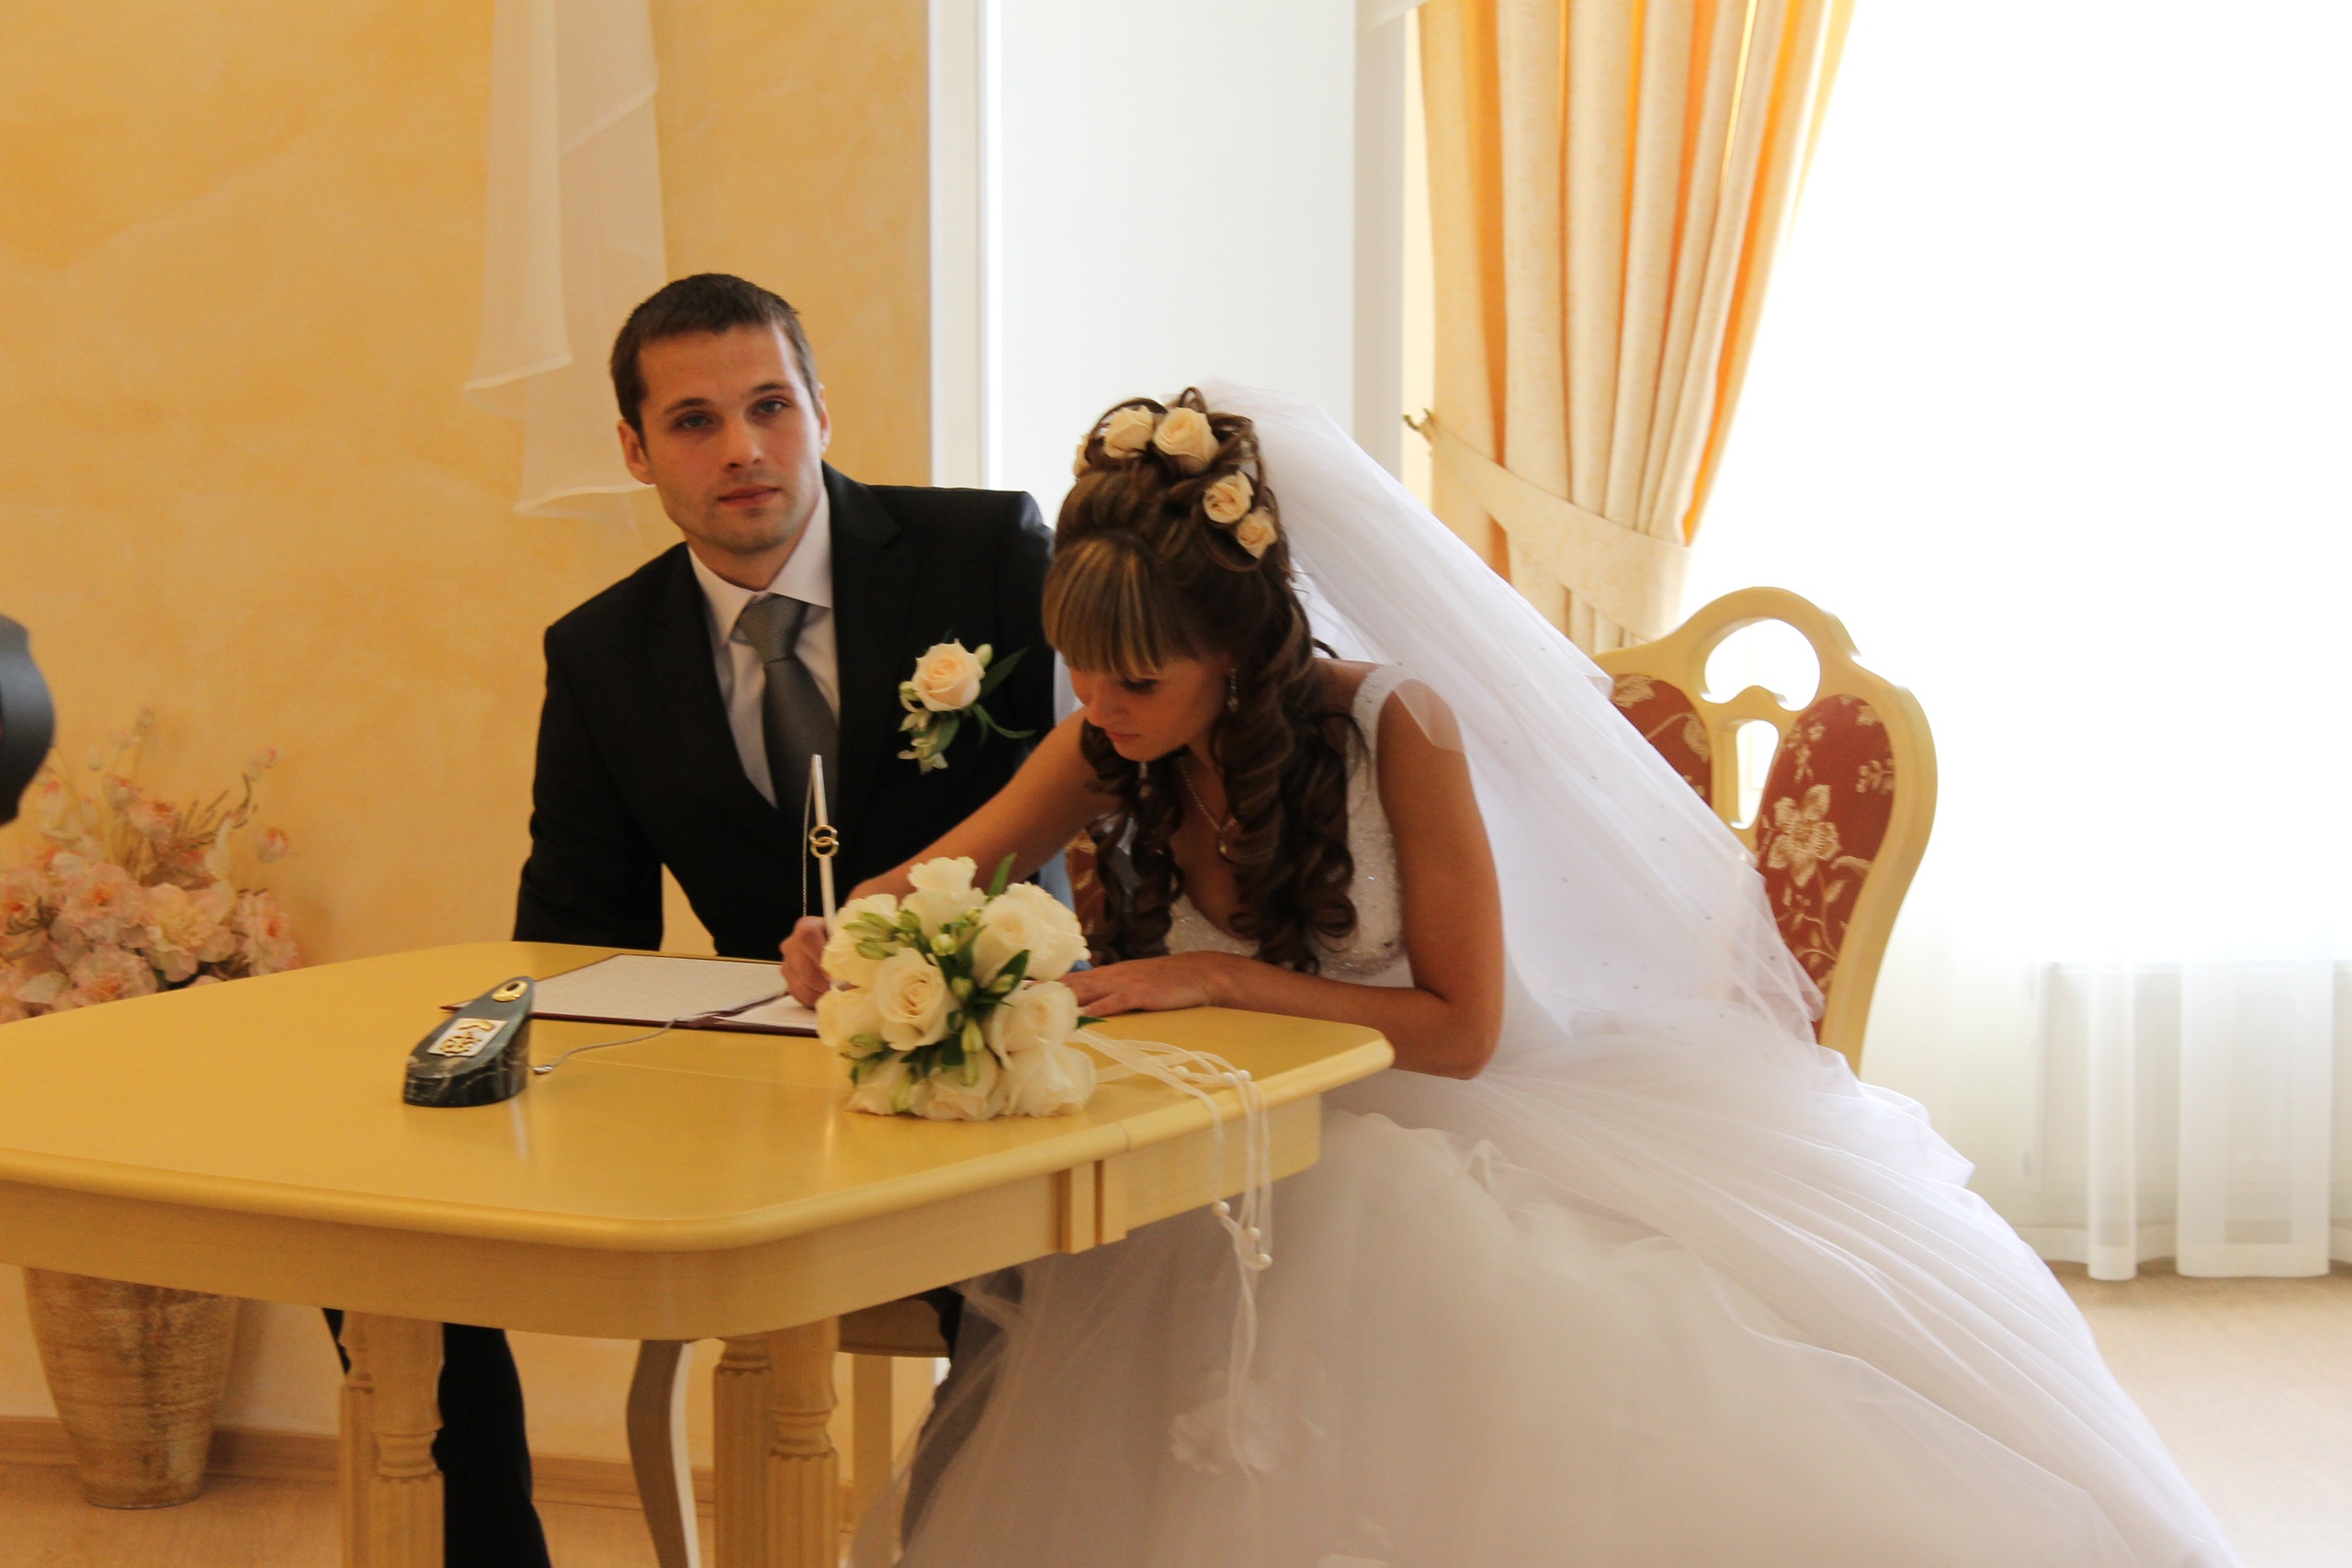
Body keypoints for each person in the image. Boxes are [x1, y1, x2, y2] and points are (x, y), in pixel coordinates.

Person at [784, 385, 2239, 1566]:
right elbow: (947, 870)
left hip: (1430, 1116)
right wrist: (849, 932)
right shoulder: (1111, 740)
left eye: (1135, 682)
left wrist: (1215, 984)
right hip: (1215, 1139)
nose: (1099, 709)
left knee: (1443, 1279)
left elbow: (1463, 1032)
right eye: (1082, 675)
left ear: (1229, 648)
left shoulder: (1395, 729)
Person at [328, 273, 1055, 1568]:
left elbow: (1098, 810)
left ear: (822, 411)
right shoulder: (601, 652)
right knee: (379, 1233)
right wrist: (480, 1080)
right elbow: (569, 932)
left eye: (770, 406)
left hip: (982, 1093)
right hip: (750, 1111)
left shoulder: (985, 552)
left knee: (1038, 1315)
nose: (743, 449)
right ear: (635, 450)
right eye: (694, 422)